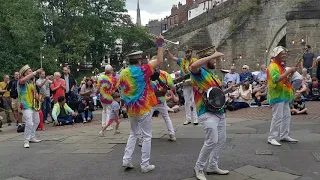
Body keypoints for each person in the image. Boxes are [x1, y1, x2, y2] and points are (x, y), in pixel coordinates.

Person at [120, 35, 164, 173]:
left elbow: (122, 90)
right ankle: (145, 165)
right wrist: (160, 44)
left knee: (133, 133)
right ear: (139, 60)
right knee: (147, 136)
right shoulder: (144, 70)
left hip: (131, 109)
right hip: (143, 108)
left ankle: (126, 160)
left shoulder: (123, 72)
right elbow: (160, 60)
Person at [189, 47, 229, 180]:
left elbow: (216, 93)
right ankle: (199, 167)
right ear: (206, 60)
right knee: (212, 140)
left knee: (221, 140)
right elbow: (193, 66)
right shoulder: (199, 72)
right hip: (206, 111)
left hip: (219, 111)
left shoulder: (212, 74)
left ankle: (212, 166)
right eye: (213, 59)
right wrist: (214, 54)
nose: (216, 61)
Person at [267, 46, 298, 146]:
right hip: (277, 95)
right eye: (282, 54)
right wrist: (288, 72)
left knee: (286, 116)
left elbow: (284, 79)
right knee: (278, 116)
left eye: (285, 53)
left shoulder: (280, 66)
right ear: (277, 56)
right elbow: (276, 79)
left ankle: (284, 135)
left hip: (283, 94)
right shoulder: (273, 66)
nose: (285, 55)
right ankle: (271, 137)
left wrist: (289, 74)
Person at [166, 47, 199, 125]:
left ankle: (196, 119)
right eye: (186, 53)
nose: (187, 54)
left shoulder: (195, 61)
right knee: (187, 101)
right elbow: (173, 58)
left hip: (193, 83)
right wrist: (168, 51)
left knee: (194, 101)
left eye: (189, 52)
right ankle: (188, 119)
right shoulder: (182, 61)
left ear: (191, 52)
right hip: (185, 84)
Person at [18, 65, 42, 148]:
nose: (31, 72)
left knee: (37, 121)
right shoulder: (21, 81)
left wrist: (39, 98)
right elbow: (24, 80)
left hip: (33, 105)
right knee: (29, 123)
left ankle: (32, 136)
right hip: (26, 105)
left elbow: (34, 93)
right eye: (29, 71)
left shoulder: (32, 83)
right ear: (24, 73)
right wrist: (35, 72)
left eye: (31, 71)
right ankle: (26, 140)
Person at [149, 68, 176, 141]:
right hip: (162, 100)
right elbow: (172, 86)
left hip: (151, 100)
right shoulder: (165, 74)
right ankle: (172, 134)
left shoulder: (147, 73)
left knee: (147, 120)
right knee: (166, 117)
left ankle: (144, 138)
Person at [97, 65, 119, 131]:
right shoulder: (114, 79)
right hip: (109, 97)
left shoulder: (100, 78)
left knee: (104, 110)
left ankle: (103, 124)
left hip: (102, 96)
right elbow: (116, 87)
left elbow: (98, 88)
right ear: (111, 71)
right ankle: (108, 126)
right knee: (109, 111)